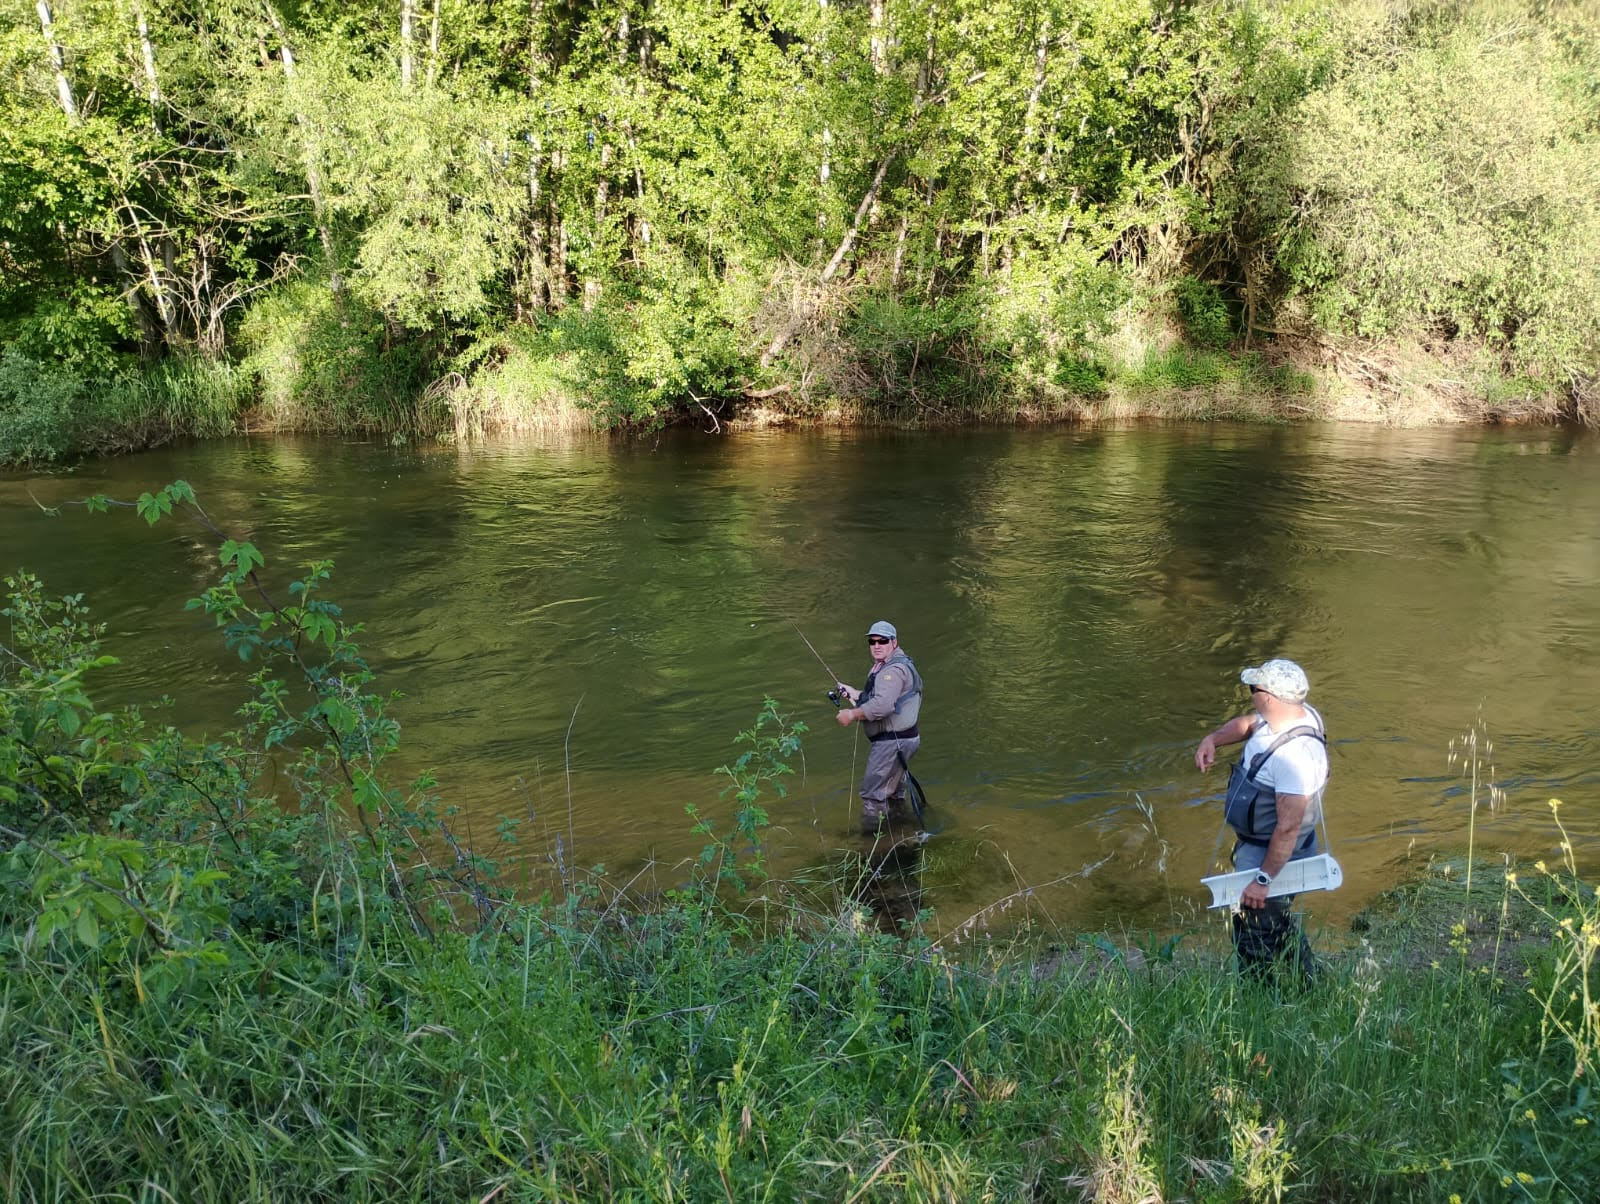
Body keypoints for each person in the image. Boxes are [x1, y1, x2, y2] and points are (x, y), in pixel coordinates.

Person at [1193, 657, 1327, 984]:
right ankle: (1314, 983)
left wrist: (1263, 880)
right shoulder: (1289, 714)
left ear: (1269, 697)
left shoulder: (1294, 757)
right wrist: (1213, 739)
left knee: (1252, 926)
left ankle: (1261, 998)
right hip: (1261, 845)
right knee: (1275, 920)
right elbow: (1249, 724)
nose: (1250, 694)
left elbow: (1289, 827)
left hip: (1275, 852)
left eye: (1254, 688)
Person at [835, 620, 923, 835]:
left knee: (873, 795)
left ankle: (873, 844)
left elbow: (882, 706)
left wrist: (851, 714)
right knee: (892, 793)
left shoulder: (891, 671)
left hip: (892, 743)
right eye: (872, 641)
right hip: (902, 740)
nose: (876, 645)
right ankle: (901, 832)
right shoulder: (890, 666)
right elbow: (881, 698)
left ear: (894, 642)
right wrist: (855, 694)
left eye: (882, 640)